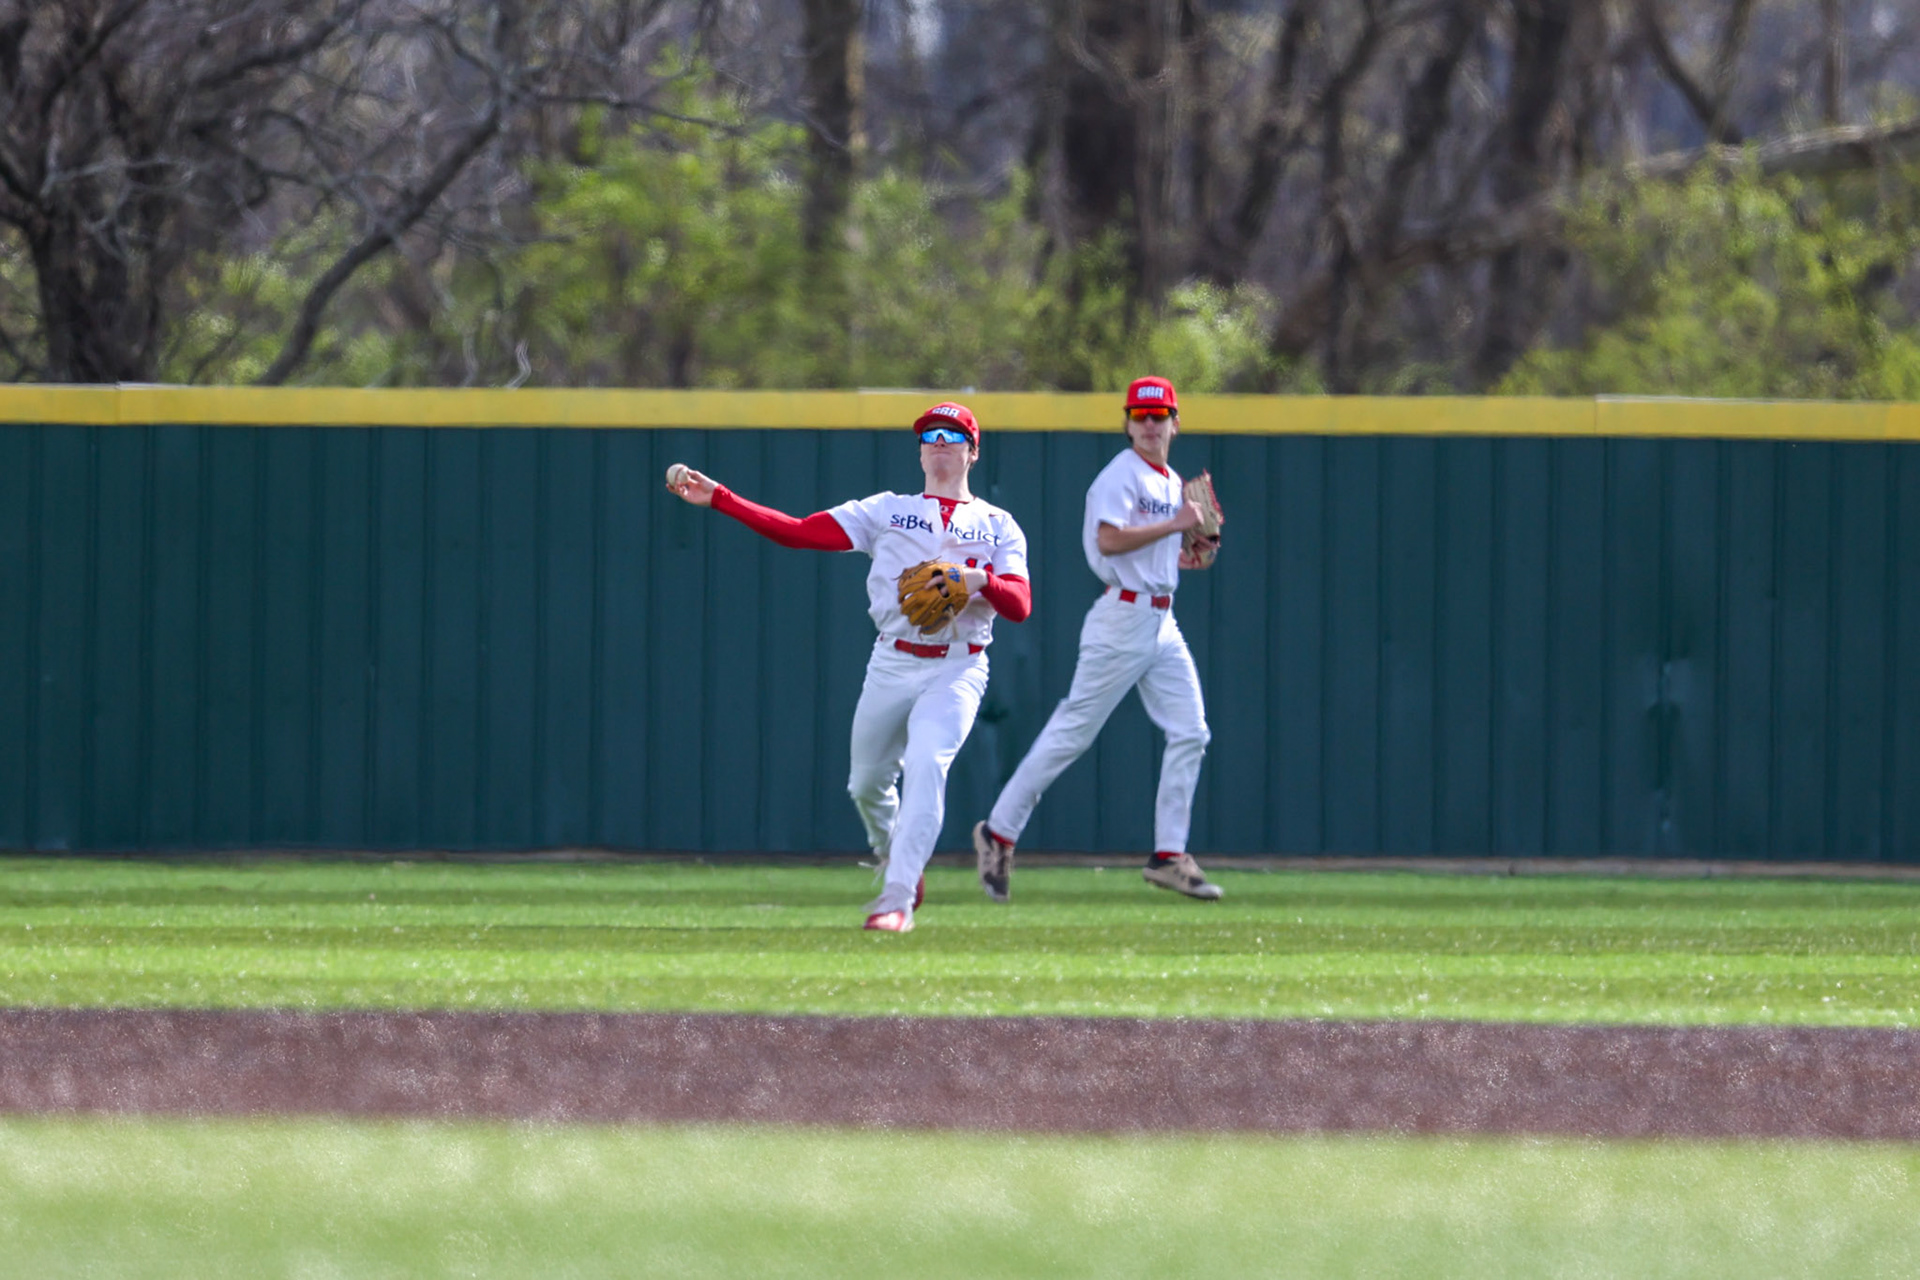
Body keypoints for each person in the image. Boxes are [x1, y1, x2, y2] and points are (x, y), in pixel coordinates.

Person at [666, 403, 1032, 932]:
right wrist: (721, 498)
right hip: (892, 659)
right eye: (930, 434)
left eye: (954, 434)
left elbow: (1019, 605)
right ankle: (893, 852)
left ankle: (897, 899)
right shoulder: (887, 510)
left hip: (958, 667)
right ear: (920, 449)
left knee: (929, 766)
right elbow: (798, 531)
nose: (939, 441)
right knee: (865, 784)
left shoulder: (998, 526)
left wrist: (976, 580)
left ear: (973, 451)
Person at [971, 375, 1221, 902]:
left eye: (1159, 417)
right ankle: (998, 832)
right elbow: (1107, 540)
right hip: (1122, 618)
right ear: (1128, 423)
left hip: (1160, 619)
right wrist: (1175, 525)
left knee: (1191, 731)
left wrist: (1183, 551)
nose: (1150, 425)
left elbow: (1155, 547)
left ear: (1175, 422)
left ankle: (1169, 855)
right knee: (1072, 733)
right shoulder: (1121, 474)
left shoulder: (1172, 480)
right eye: (1140, 416)